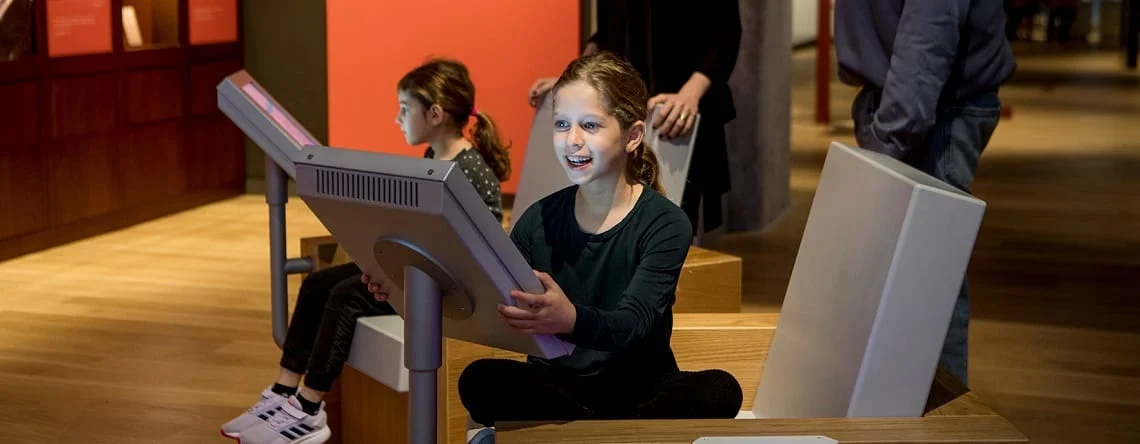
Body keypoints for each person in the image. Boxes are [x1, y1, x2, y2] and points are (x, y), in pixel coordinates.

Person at [366, 52, 744, 444]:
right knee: (479, 379)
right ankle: (611, 437)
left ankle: (585, 436)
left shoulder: (665, 222)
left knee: (720, 389)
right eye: (562, 124)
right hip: (559, 388)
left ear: (633, 136)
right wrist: (409, 291)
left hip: (641, 391)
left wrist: (570, 320)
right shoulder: (537, 219)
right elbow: (491, 294)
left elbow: (633, 325)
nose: (572, 140)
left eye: (590, 125)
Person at [221, 58, 512, 444]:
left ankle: (309, 409)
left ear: (436, 114)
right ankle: (284, 390)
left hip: (445, 284)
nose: (398, 119)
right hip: (419, 268)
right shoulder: (435, 158)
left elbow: (469, 249)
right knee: (318, 283)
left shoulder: (469, 169)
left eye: (405, 110)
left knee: (346, 296)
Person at [834, 0, 1016, 385]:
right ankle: (904, 401)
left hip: (932, 109)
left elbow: (928, 33)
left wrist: (889, 139)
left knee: (931, 278)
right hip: (907, 103)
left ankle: (938, 418)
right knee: (912, 274)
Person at [527, 1, 742, 235]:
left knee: (669, 217)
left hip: (674, 112)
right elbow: (607, 33)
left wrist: (690, 94)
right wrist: (573, 81)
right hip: (623, 103)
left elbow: (726, 33)